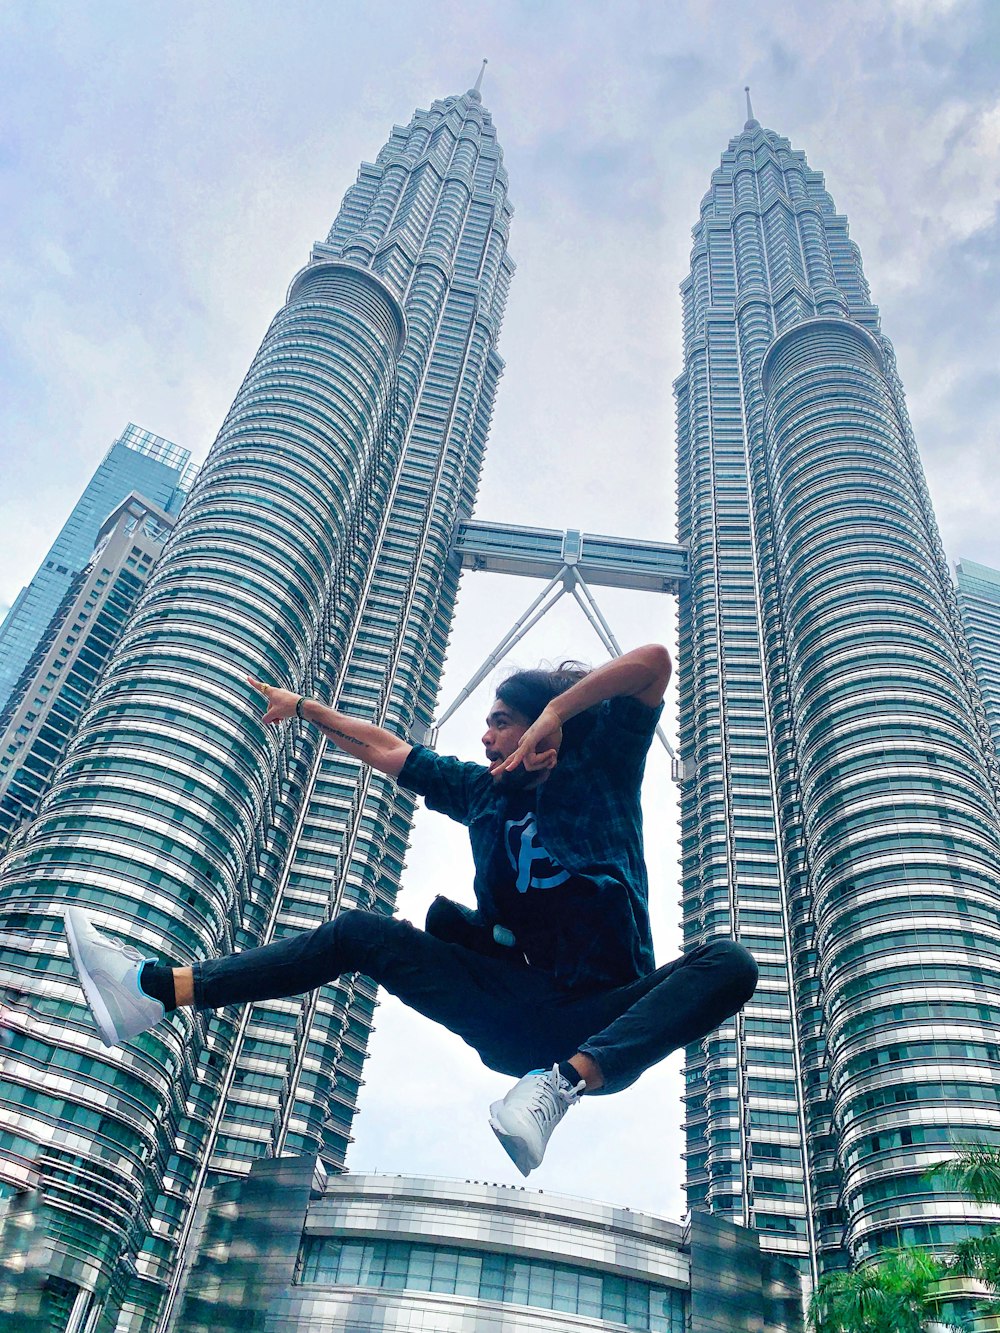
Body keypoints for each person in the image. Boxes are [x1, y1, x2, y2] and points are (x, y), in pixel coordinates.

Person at [64, 644, 757, 1176]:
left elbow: (652, 665)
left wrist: (555, 712)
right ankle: (156, 992)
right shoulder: (482, 793)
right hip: (515, 1014)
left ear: (539, 725)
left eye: (499, 722)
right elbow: (385, 748)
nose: (485, 739)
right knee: (362, 934)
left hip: (609, 1020)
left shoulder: (600, 770)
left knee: (729, 962)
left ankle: (559, 1088)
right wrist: (304, 707)